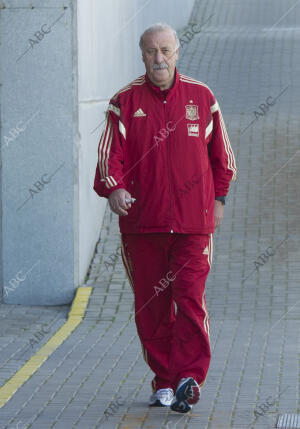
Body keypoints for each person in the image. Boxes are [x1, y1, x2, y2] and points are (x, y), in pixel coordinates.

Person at [93, 22, 236, 413]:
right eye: (151, 51)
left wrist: (218, 198)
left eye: (165, 51)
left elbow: (223, 159)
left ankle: (190, 377)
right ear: (142, 55)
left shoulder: (202, 97)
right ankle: (165, 381)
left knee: (190, 301)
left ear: (177, 52)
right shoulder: (124, 101)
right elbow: (110, 157)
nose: (159, 58)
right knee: (152, 306)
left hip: (194, 225)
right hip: (143, 227)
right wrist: (115, 188)